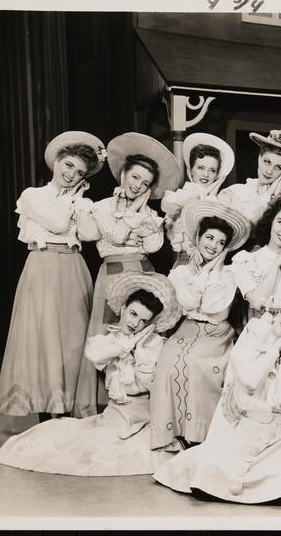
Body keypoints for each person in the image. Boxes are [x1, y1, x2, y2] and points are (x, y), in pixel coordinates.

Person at [152, 304, 281, 505]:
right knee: (210, 468)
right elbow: (250, 381)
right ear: (279, 313)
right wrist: (274, 351)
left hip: (280, 438)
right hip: (247, 429)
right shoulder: (250, 342)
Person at [0, 271, 183, 476]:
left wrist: (141, 348)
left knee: (137, 450)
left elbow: (147, 383)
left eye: (144, 321)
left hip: (145, 414)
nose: (135, 323)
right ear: (123, 309)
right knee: (77, 444)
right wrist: (127, 345)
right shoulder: (109, 341)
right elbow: (95, 355)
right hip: (118, 412)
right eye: (133, 314)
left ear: (150, 325)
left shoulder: (154, 344)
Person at [0, 131, 106, 420]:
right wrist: (74, 199)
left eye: (79, 172)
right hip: (41, 266)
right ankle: (45, 414)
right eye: (68, 165)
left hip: (73, 268)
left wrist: (81, 203)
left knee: (72, 341)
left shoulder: (81, 202)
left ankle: (68, 413)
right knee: (42, 339)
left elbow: (91, 235)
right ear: (57, 161)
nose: (71, 174)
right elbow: (57, 224)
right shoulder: (32, 195)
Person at [72, 132, 183, 418]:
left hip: (143, 273)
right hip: (111, 274)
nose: (138, 185)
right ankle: (101, 404)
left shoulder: (150, 215)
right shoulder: (101, 207)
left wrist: (142, 218)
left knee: (143, 337)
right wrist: (133, 216)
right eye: (135, 177)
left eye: (145, 183)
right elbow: (116, 235)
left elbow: (154, 246)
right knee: (109, 336)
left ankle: (140, 402)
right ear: (123, 174)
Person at [149, 200, 252, 450]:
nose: (213, 246)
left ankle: (198, 435)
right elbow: (190, 302)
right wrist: (202, 274)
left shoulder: (228, 274)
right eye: (209, 238)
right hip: (187, 329)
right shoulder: (181, 272)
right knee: (166, 364)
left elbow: (215, 307)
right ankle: (172, 434)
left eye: (220, 243)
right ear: (198, 238)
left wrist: (212, 271)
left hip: (217, 334)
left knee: (198, 365)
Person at [161, 133, 235, 268]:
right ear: (190, 171)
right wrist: (197, 192)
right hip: (185, 264)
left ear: (217, 175)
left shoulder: (221, 201)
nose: (206, 174)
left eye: (212, 170)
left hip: (213, 265)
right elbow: (168, 205)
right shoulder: (182, 196)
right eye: (201, 168)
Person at [217, 124, 281, 224]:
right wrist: (267, 195)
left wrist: (278, 198)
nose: (269, 171)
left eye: (278, 167)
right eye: (267, 162)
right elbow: (247, 226)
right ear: (259, 158)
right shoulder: (234, 192)